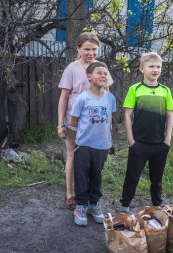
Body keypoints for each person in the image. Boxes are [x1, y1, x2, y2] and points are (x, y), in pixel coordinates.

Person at [57, 32, 113, 210]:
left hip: (95, 124)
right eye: (86, 49)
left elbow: (107, 98)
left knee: (92, 161)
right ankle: (70, 194)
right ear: (78, 49)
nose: (90, 53)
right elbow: (63, 98)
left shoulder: (102, 68)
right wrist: (60, 124)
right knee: (73, 155)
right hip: (73, 122)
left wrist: (108, 127)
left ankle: (89, 196)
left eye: (94, 49)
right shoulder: (72, 69)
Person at [120, 52, 173, 214]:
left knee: (157, 178)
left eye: (158, 67)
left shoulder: (165, 91)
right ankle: (125, 207)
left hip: (159, 144)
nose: (155, 70)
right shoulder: (134, 89)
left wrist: (167, 140)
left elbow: (170, 115)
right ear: (142, 68)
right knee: (132, 176)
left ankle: (157, 205)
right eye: (151, 66)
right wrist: (131, 141)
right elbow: (127, 115)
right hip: (139, 143)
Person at [69, 61, 116, 226]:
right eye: (99, 73)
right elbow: (73, 121)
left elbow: (109, 121)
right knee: (81, 176)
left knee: (97, 176)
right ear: (89, 77)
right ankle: (80, 206)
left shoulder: (110, 98)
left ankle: (94, 205)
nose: (103, 75)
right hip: (84, 145)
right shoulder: (82, 98)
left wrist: (110, 141)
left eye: (106, 73)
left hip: (102, 146)